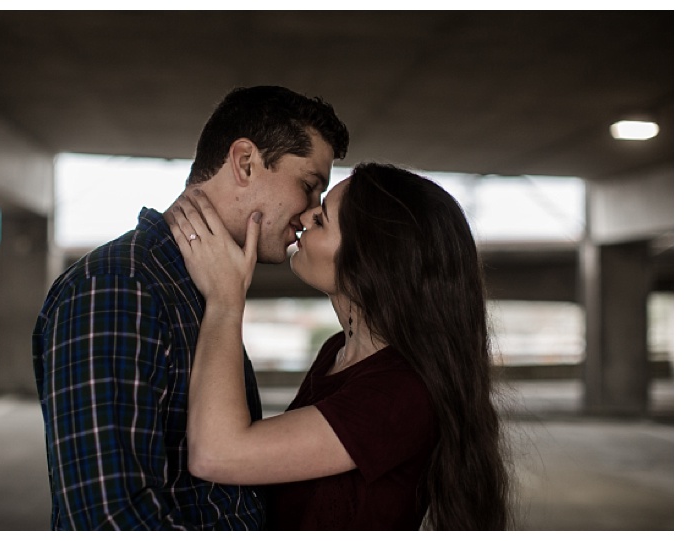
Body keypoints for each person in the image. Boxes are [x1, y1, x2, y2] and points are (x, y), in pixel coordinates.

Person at [31, 85, 349, 530]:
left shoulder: (207, 288)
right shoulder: (119, 285)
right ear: (244, 162)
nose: (311, 212)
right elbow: (109, 519)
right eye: (309, 186)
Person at [169, 162, 512, 530]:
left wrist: (225, 301)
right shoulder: (338, 351)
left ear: (369, 259)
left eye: (321, 221)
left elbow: (217, 455)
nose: (302, 216)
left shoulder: (400, 392)